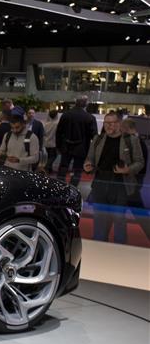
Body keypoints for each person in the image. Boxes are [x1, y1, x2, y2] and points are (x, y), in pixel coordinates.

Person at [84, 113, 145, 244]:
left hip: (120, 184)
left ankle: (119, 246)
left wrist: (127, 169)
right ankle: (98, 244)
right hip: (100, 182)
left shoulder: (131, 140)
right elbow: (90, 158)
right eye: (106, 123)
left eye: (112, 123)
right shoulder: (98, 139)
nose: (109, 126)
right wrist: (87, 166)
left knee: (118, 217)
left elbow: (140, 162)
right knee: (99, 216)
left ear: (119, 124)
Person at [56, 97, 97, 186]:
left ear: (75, 103)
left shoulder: (65, 115)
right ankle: (72, 188)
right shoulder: (90, 117)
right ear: (86, 104)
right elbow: (94, 136)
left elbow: (59, 132)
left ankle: (59, 186)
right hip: (82, 148)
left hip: (66, 146)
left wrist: (58, 146)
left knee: (63, 168)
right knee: (77, 170)